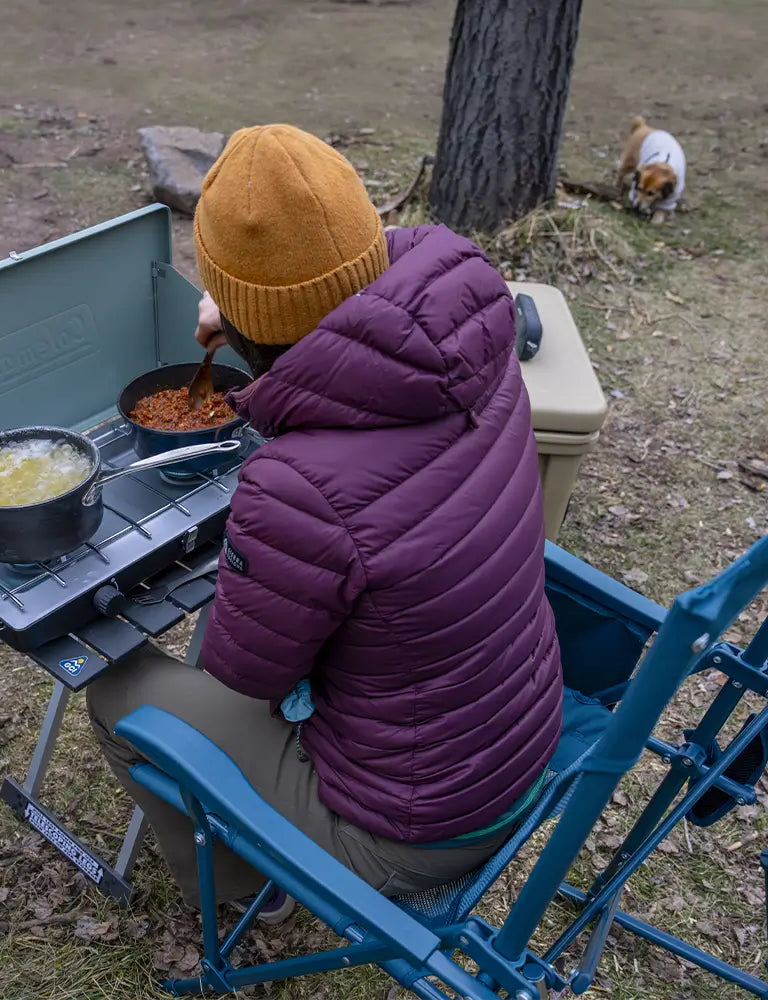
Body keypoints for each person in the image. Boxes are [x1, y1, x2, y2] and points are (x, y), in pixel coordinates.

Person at [88, 123, 563, 922]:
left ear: (237, 319)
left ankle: (247, 890)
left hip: (412, 830)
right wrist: (254, 317)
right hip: (520, 744)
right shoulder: (477, 343)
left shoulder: (297, 488)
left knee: (113, 691)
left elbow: (251, 679)